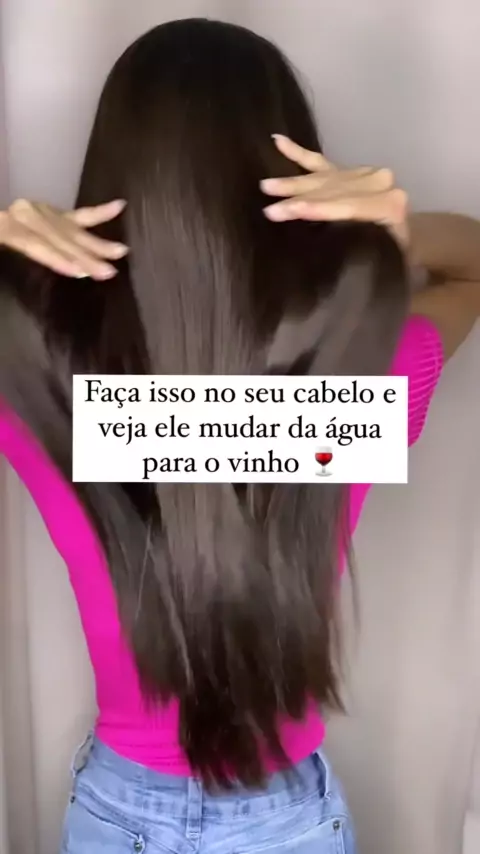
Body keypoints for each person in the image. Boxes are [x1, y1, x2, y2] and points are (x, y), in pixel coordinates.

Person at [0, 17, 478, 854]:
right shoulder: (359, 381)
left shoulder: (36, 378)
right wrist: (396, 229)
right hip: (285, 822)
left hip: (114, 814)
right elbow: (471, 265)